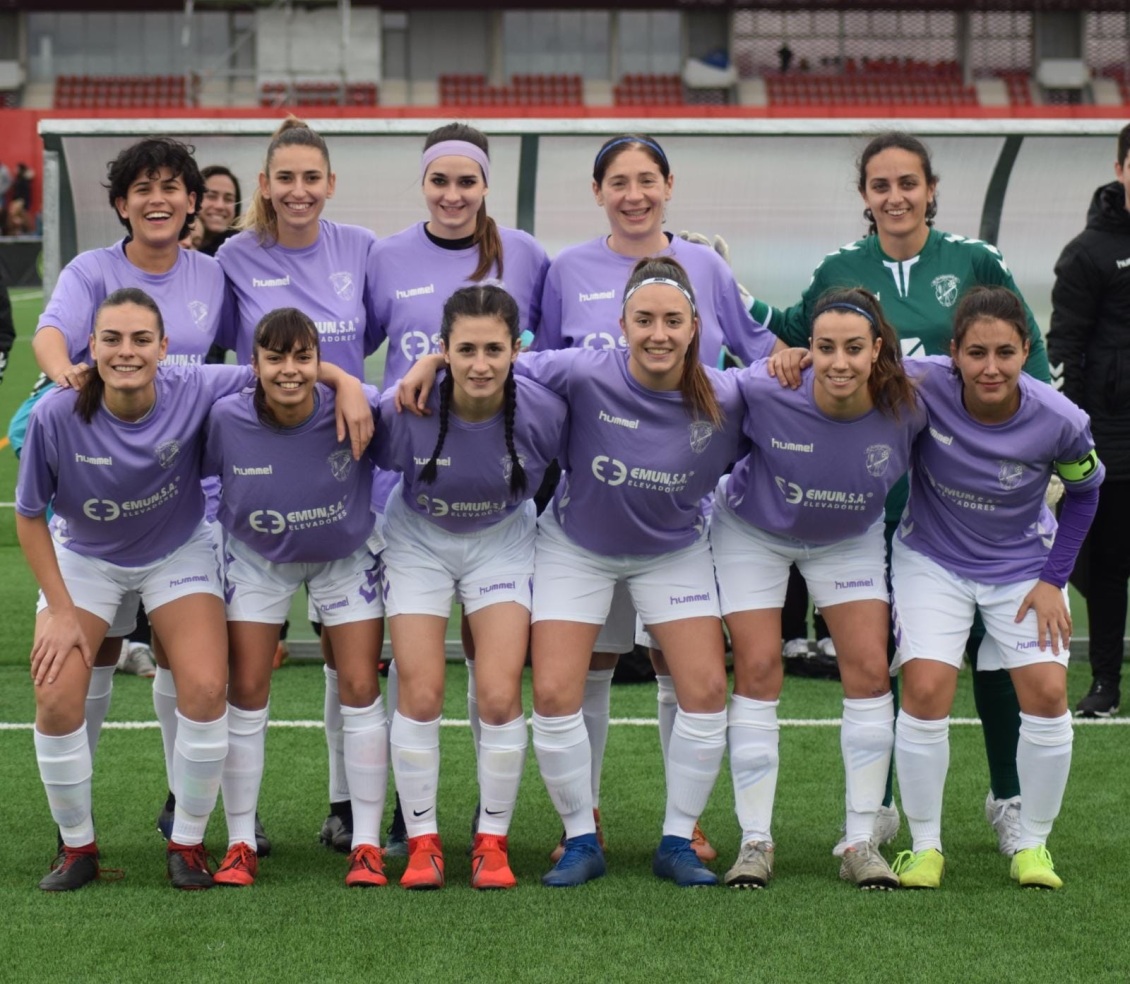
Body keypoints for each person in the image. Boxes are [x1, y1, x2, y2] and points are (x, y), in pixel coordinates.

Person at [748, 130, 1053, 856]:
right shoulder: (839, 269)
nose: (895, 197)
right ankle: (878, 805)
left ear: (930, 189)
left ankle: (1006, 798)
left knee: (991, 651)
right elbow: (793, 340)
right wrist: (748, 308)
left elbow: (1027, 362)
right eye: (881, 185)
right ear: (865, 197)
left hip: (964, 498)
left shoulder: (975, 262)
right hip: (874, 500)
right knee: (880, 653)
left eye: (907, 183)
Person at [401, 256, 750, 887]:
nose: (658, 333)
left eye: (673, 321)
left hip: (673, 548)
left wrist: (798, 357)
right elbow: (493, 365)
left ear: (695, 326)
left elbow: (792, 398)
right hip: (577, 545)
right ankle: (581, 837)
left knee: (704, 691)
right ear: (622, 323)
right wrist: (430, 361)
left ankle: (677, 839)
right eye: (644, 320)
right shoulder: (581, 368)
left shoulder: (727, 395)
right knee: (558, 693)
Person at [533, 133, 779, 863]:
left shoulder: (708, 276)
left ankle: (685, 827)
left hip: (675, 529)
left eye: (647, 179)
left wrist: (799, 362)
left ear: (669, 185)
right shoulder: (569, 275)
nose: (634, 192)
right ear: (598, 190)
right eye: (619, 180)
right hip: (585, 520)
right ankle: (583, 824)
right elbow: (525, 364)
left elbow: (766, 352)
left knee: (694, 680)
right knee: (579, 677)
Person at [26, 135, 233, 844]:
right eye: (142, 187)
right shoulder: (92, 270)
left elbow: (244, 363)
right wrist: (69, 378)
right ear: (120, 203)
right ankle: (73, 833)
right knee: (89, 659)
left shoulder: (214, 275)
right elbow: (52, 334)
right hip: (96, 497)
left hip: (185, 504)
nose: (157, 199)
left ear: (192, 203)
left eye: (172, 186)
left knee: (194, 669)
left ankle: (190, 810)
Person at [16, 288, 252, 891]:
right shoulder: (54, 413)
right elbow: (29, 515)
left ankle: (189, 843)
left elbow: (279, 365)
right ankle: (77, 849)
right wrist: (63, 611)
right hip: (85, 557)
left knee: (203, 687)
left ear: (164, 348)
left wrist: (349, 384)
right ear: (90, 347)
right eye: (112, 339)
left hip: (176, 550)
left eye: (141, 339)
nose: (127, 351)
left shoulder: (193, 387)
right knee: (55, 698)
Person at [366, 122, 550, 854]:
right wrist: (416, 375)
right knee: (400, 675)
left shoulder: (527, 255)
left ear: (485, 185)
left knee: (494, 678)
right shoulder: (387, 256)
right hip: (413, 474)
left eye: (466, 181)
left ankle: (488, 821)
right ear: (423, 185)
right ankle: (394, 814)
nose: (452, 194)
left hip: (497, 481)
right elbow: (360, 348)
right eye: (439, 180)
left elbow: (550, 355)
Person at [889, 286, 1102, 890]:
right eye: (976, 352)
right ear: (952, 351)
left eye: (1005, 353)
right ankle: (925, 846)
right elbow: (848, 361)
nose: (990, 367)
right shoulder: (923, 382)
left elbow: (1086, 493)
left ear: (1024, 351)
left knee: (1049, 692)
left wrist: (1052, 580)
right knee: (927, 687)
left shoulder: (1061, 418)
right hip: (931, 560)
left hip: (1021, 570)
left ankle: (1033, 845)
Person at [713, 288, 923, 891]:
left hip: (846, 538)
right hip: (753, 533)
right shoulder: (767, 385)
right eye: (824, 347)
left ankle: (860, 840)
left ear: (879, 350)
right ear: (808, 347)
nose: (838, 362)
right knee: (757, 668)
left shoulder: (911, 398)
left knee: (869, 672)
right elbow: (688, 385)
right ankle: (755, 841)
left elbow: (985, 383)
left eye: (854, 349)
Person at [215, 116, 383, 852]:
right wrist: (338, 374)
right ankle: (224, 818)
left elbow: (379, 337)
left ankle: (348, 805)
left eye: (311, 177)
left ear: (331, 183)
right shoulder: (233, 256)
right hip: (265, 481)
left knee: (353, 666)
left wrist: (349, 384)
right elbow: (227, 357)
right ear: (264, 184)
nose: (298, 190)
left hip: (349, 475)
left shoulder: (361, 249)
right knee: (243, 670)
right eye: (285, 177)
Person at [376, 284, 566, 889]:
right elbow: (354, 456)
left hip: (503, 543)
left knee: (499, 697)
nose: (480, 364)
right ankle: (424, 843)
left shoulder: (545, 409)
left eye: (494, 349)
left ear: (517, 350)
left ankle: (491, 842)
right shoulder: (407, 404)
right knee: (422, 693)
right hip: (418, 542)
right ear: (444, 349)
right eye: (464, 350)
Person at [204, 308, 387, 888]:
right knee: (248, 688)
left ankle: (365, 844)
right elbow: (199, 473)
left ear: (319, 361)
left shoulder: (356, 405)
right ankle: (238, 842)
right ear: (252, 365)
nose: (290, 370)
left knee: (360, 686)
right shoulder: (226, 416)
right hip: (258, 558)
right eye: (275, 358)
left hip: (345, 554)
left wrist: (349, 383)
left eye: (303, 357)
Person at [1047, 121, 1130, 719]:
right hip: (1115, 433)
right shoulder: (1088, 252)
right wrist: (1072, 436)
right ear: (1122, 169)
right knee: (1104, 563)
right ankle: (1105, 680)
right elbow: (1064, 349)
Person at [197, 165, 242, 257]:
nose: (220, 206)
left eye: (228, 199)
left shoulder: (243, 254)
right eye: (211, 196)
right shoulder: (174, 246)